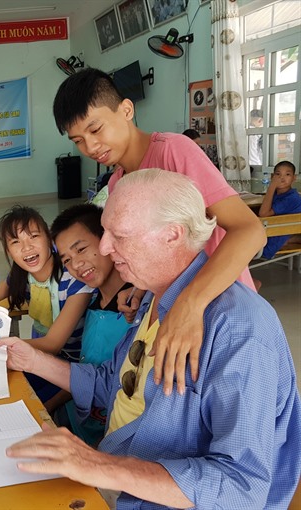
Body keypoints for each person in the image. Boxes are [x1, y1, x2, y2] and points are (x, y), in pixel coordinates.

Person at [0, 169, 300, 509]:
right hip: (121, 478)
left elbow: (241, 487)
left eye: (119, 235)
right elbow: (111, 381)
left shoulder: (238, 329)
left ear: (172, 235)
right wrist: (32, 359)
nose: (106, 248)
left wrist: (101, 466)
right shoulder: (153, 298)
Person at [53, 67, 266, 395]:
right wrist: (141, 287)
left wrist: (190, 304)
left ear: (126, 110)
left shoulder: (173, 151)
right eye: (78, 140)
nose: (91, 147)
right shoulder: (117, 182)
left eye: (95, 129)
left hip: (218, 303)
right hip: (176, 307)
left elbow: (249, 231)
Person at [0, 206, 92, 410]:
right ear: (8, 251)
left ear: (49, 239)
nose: (26, 248)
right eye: (15, 242)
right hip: (42, 356)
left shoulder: (74, 281)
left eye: (33, 237)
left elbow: (53, 343)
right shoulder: (21, 277)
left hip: (74, 369)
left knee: (29, 406)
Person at [49, 204, 133, 445]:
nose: (76, 265)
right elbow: (86, 372)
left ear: (107, 241)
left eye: (82, 249)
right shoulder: (93, 303)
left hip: (110, 440)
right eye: (67, 260)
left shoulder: (136, 307)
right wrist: (49, 406)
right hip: (79, 422)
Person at [258, 160, 301, 259]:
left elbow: (263, 213)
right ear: (272, 176)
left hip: (269, 244)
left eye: (287, 174)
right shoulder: (278, 194)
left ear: (294, 178)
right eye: (278, 174)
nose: (282, 178)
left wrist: (272, 186)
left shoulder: (291, 198)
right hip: (271, 234)